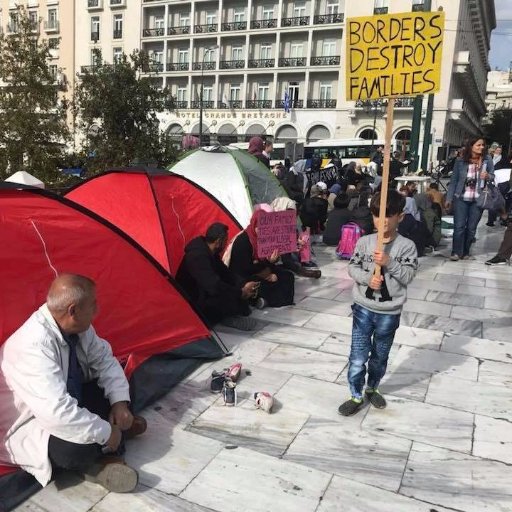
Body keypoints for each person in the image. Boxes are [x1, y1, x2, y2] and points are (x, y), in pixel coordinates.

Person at [0, 274, 146, 493]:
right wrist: (107, 432)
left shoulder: (79, 327)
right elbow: (56, 413)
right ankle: (105, 458)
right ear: (73, 310)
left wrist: (120, 404)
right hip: (32, 422)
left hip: (69, 401)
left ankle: (115, 434)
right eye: (93, 306)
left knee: (124, 389)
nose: (97, 311)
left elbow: (104, 360)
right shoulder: (33, 346)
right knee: (73, 451)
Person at [338, 190, 418, 416]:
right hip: (363, 308)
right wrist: (367, 279)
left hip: (388, 313)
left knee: (380, 355)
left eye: (387, 216)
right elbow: (352, 267)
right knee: (357, 355)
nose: (380, 222)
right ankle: (355, 394)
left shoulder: (406, 246)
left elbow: (408, 276)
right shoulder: (364, 242)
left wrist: (389, 262)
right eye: (376, 216)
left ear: (400, 217)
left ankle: (372, 387)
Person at [176, 223, 259, 331]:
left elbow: (225, 273)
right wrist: (240, 292)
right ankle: (227, 318)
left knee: (236, 293)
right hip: (193, 300)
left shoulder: (211, 252)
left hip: (206, 292)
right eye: (225, 241)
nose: (226, 244)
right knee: (227, 296)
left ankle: (229, 313)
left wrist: (243, 284)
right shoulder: (196, 257)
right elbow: (213, 286)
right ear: (219, 241)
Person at [229, 210, 295, 309]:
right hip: (246, 276)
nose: (262, 230)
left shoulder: (265, 238)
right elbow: (245, 268)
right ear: (254, 225)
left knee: (288, 276)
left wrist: (271, 270)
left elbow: (269, 261)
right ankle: (262, 300)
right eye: (259, 227)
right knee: (264, 285)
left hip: (262, 269)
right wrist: (267, 267)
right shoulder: (243, 241)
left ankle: (267, 300)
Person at [446, 137, 494, 261]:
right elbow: (454, 181)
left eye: (483, 145)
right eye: (478, 145)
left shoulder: (487, 160)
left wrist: (488, 176)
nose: (481, 147)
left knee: (471, 228)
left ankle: (466, 252)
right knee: (459, 226)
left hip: (478, 199)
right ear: (471, 146)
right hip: (461, 197)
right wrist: (449, 198)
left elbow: (493, 177)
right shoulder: (460, 161)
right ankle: (456, 252)